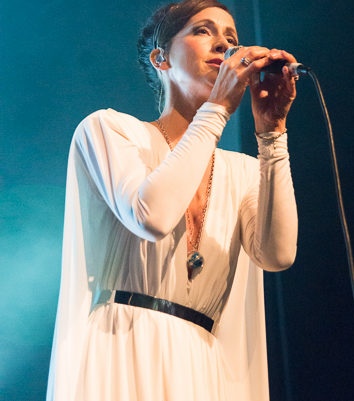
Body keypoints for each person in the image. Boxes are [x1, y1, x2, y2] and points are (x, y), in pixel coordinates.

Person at [47, 0, 298, 400]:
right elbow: (153, 216)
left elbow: (278, 255)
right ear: (160, 58)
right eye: (203, 31)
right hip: (124, 350)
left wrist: (272, 134)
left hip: (201, 364)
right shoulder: (111, 131)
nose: (224, 45)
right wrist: (217, 109)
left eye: (231, 37)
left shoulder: (244, 171)